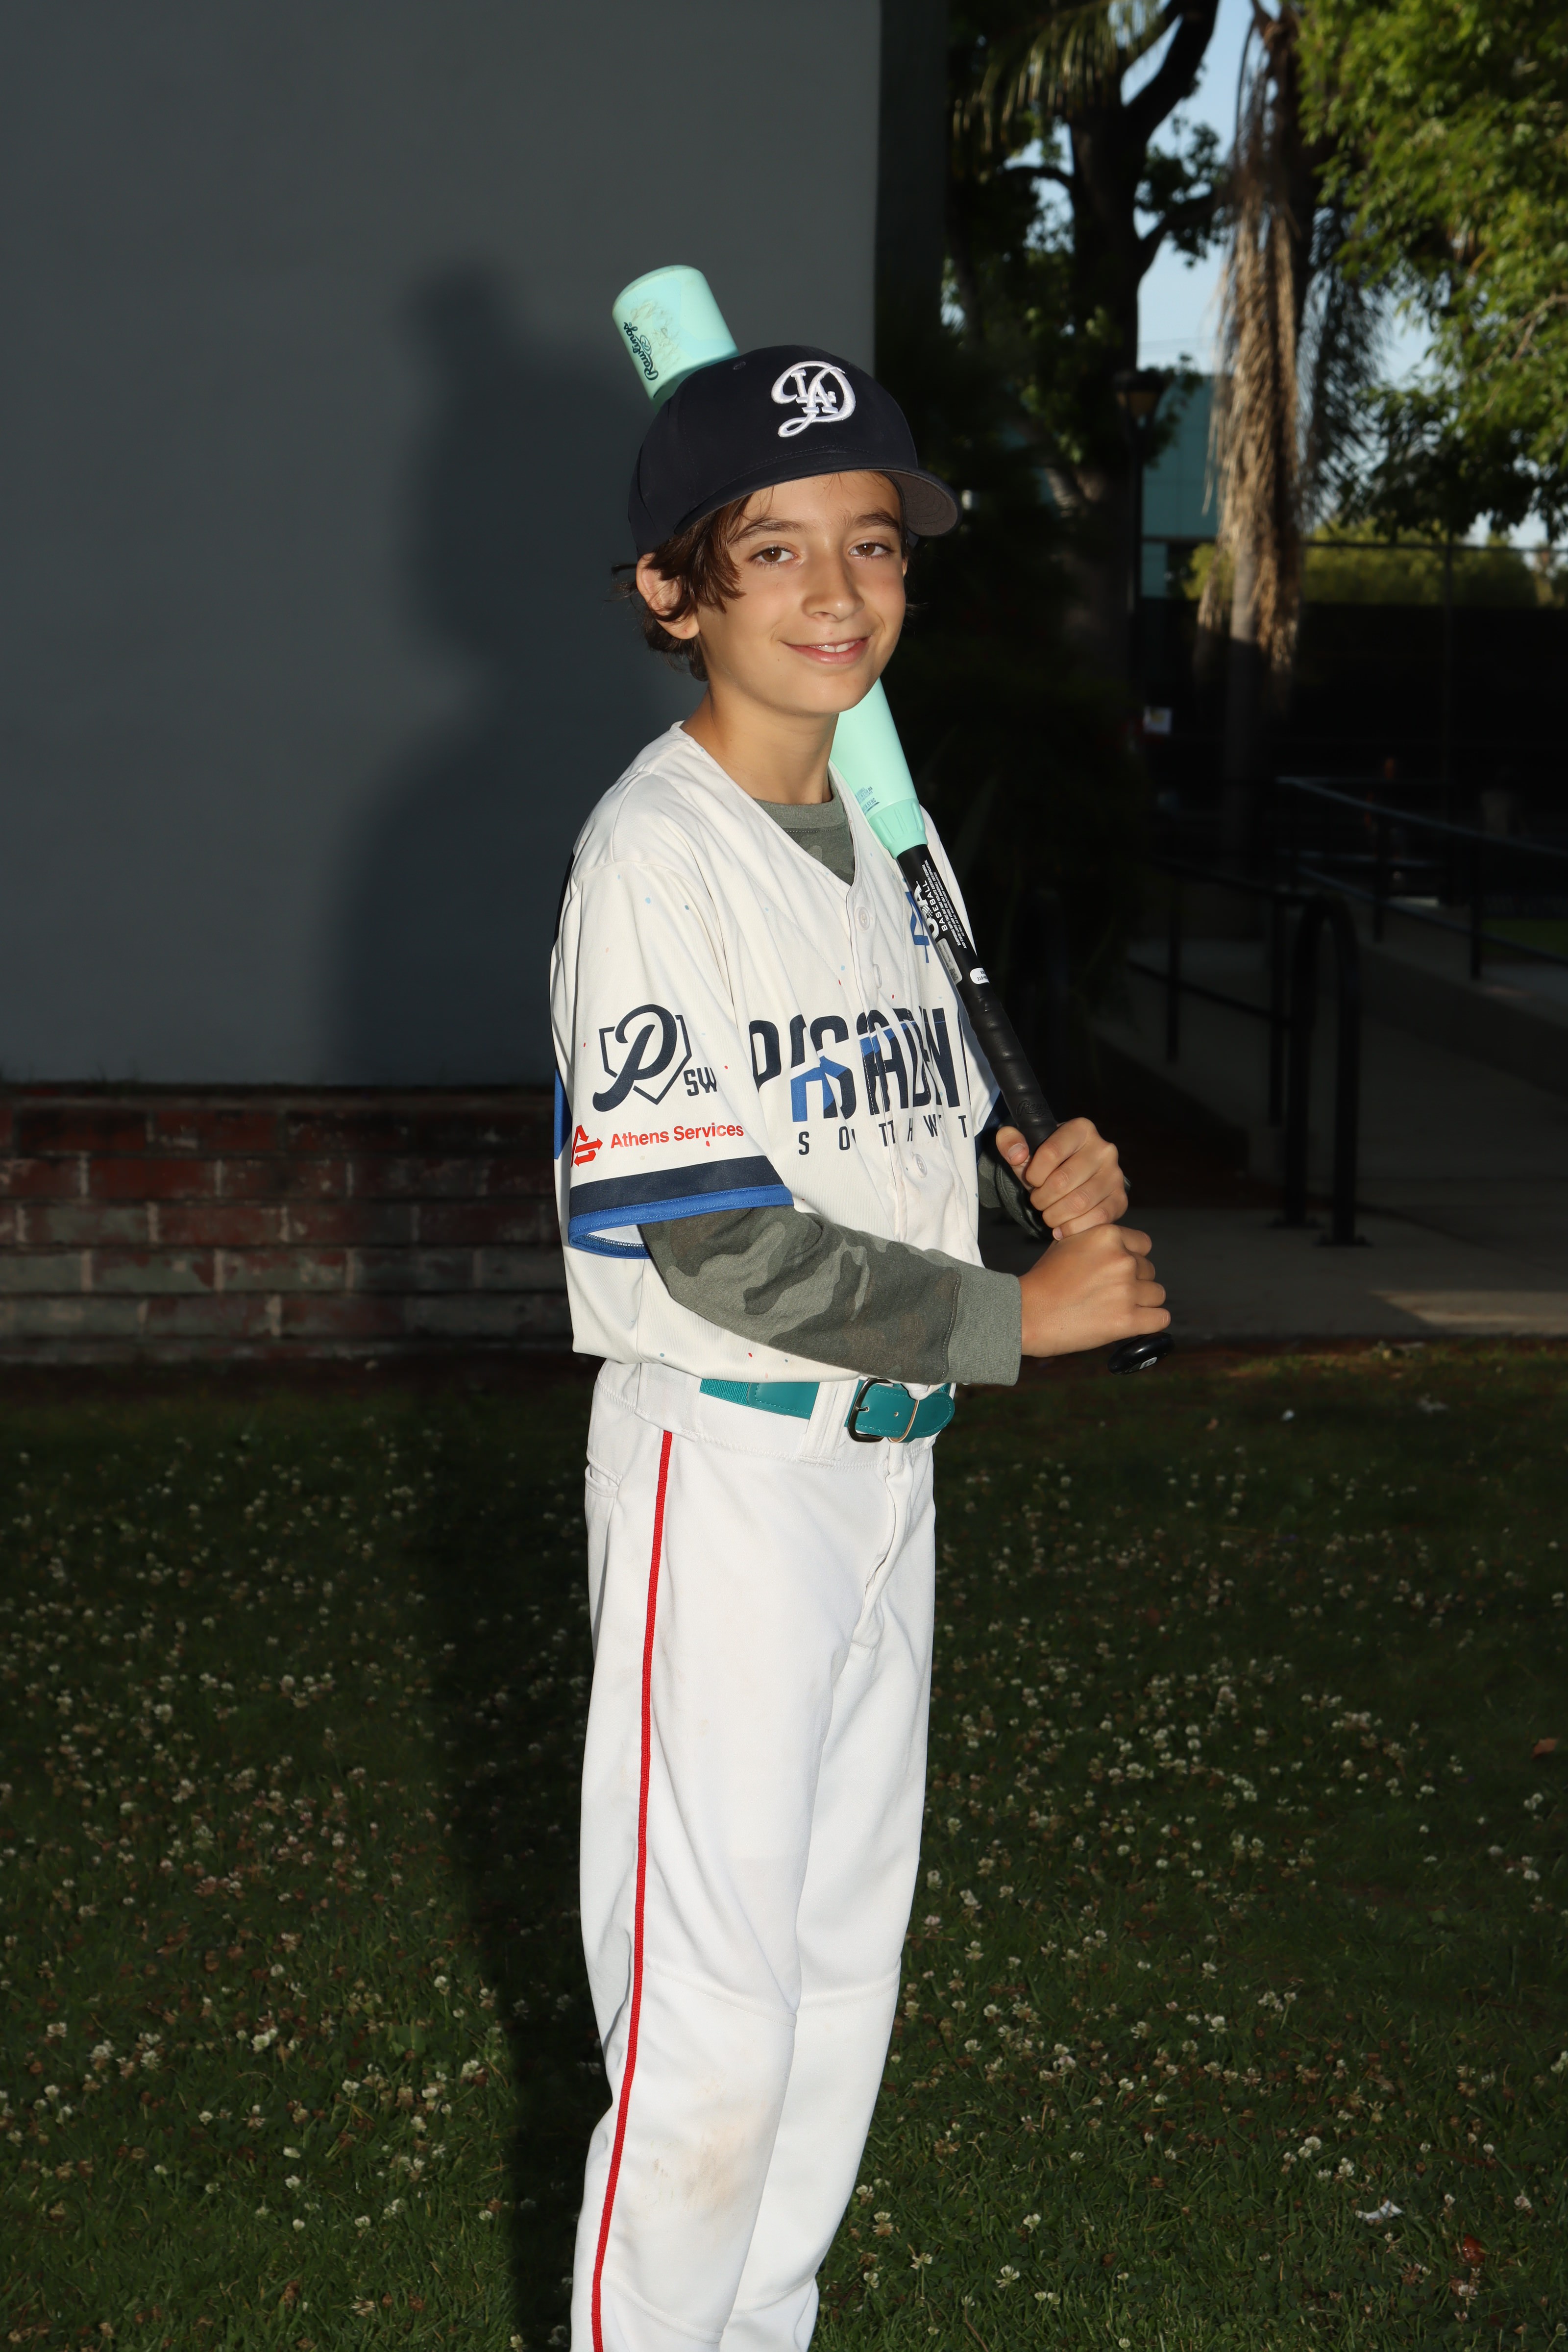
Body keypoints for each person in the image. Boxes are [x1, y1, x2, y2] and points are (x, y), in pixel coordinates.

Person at [550, 343, 1168, 2352]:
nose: (836, 591)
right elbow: (710, 1233)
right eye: (774, 550)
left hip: (885, 1478)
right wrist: (1013, 1317)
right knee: (709, 2030)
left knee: (831, 2002)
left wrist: (1024, 1171)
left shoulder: (893, 844)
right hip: (727, 1469)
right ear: (674, 592)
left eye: (874, 545)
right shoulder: (656, 854)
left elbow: (891, 1122)